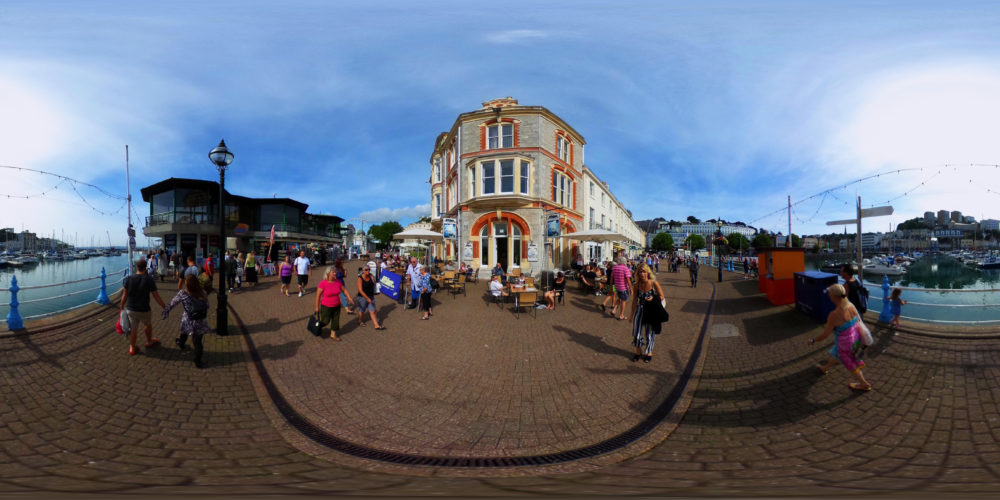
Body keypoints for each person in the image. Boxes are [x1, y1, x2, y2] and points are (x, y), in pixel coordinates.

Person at [810, 283, 873, 391]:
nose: (829, 296)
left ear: (834, 296)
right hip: (855, 339)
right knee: (835, 352)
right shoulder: (851, 306)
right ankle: (825, 368)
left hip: (845, 346)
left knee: (851, 365)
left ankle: (864, 384)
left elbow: (825, 335)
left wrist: (813, 340)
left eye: (829, 294)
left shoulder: (834, 315)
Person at [119, 259, 167, 356]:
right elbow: (156, 296)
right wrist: (164, 306)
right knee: (147, 325)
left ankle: (132, 347)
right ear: (146, 267)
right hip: (144, 309)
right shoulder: (149, 279)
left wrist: (121, 306)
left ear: (137, 267)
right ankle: (149, 341)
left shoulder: (129, 278)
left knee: (133, 329)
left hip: (131, 309)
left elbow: (124, 295)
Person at [163, 275, 211, 368]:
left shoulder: (183, 293)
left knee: (184, 330)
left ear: (187, 284)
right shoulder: (203, 292)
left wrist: (166, 311)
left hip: (188, 318)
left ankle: (181, 343)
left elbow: (173, 303)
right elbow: (207, 306)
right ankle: (198, 361)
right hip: (200, 320)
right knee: (197, 342)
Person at [631, 263, 665, 363]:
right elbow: (634, 300)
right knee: (636, 332)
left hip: (651, 311)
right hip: (640, 310)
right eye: (640, 272)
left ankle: (649, 352)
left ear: (648, 273)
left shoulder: (654, 283)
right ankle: (638, 352)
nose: (642, 274)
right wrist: (631, 315)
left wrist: (653, 298)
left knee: (650, 333)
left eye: (644, 272)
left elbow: (662, 296)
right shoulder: (636, 285)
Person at [315, 266, 355, 341]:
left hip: (336, 305)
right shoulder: (323, 283)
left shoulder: (338, 282)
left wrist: (349, 298)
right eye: (333, 272)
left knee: (335, 320)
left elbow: (344, 290)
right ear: (328, 273)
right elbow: (318, 296)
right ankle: (318, 326)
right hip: (326, 306)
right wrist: (317, 307)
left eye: (335, 272)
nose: (335, 273)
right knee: (325, 321)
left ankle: (333, 334)